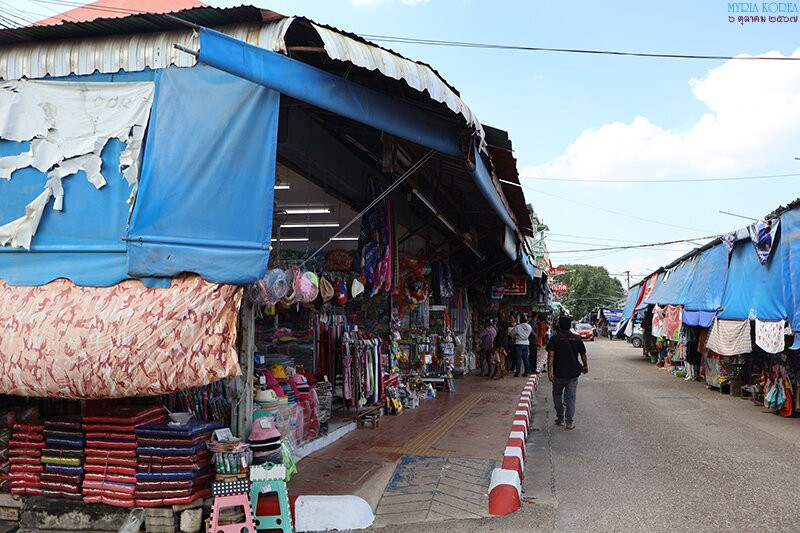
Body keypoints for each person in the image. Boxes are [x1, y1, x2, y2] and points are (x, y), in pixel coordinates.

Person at [546, 316, 588, 430]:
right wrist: (585, 366)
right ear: (570, 326)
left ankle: (560, 417)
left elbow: (550, 356)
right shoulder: (577, 339)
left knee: (557, 395)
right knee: (571, 398)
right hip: (573, 373)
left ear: (558, 326)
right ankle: (569, 422)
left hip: (558, 373)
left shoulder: (554, 339)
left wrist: (550, 371)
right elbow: (583, 354)